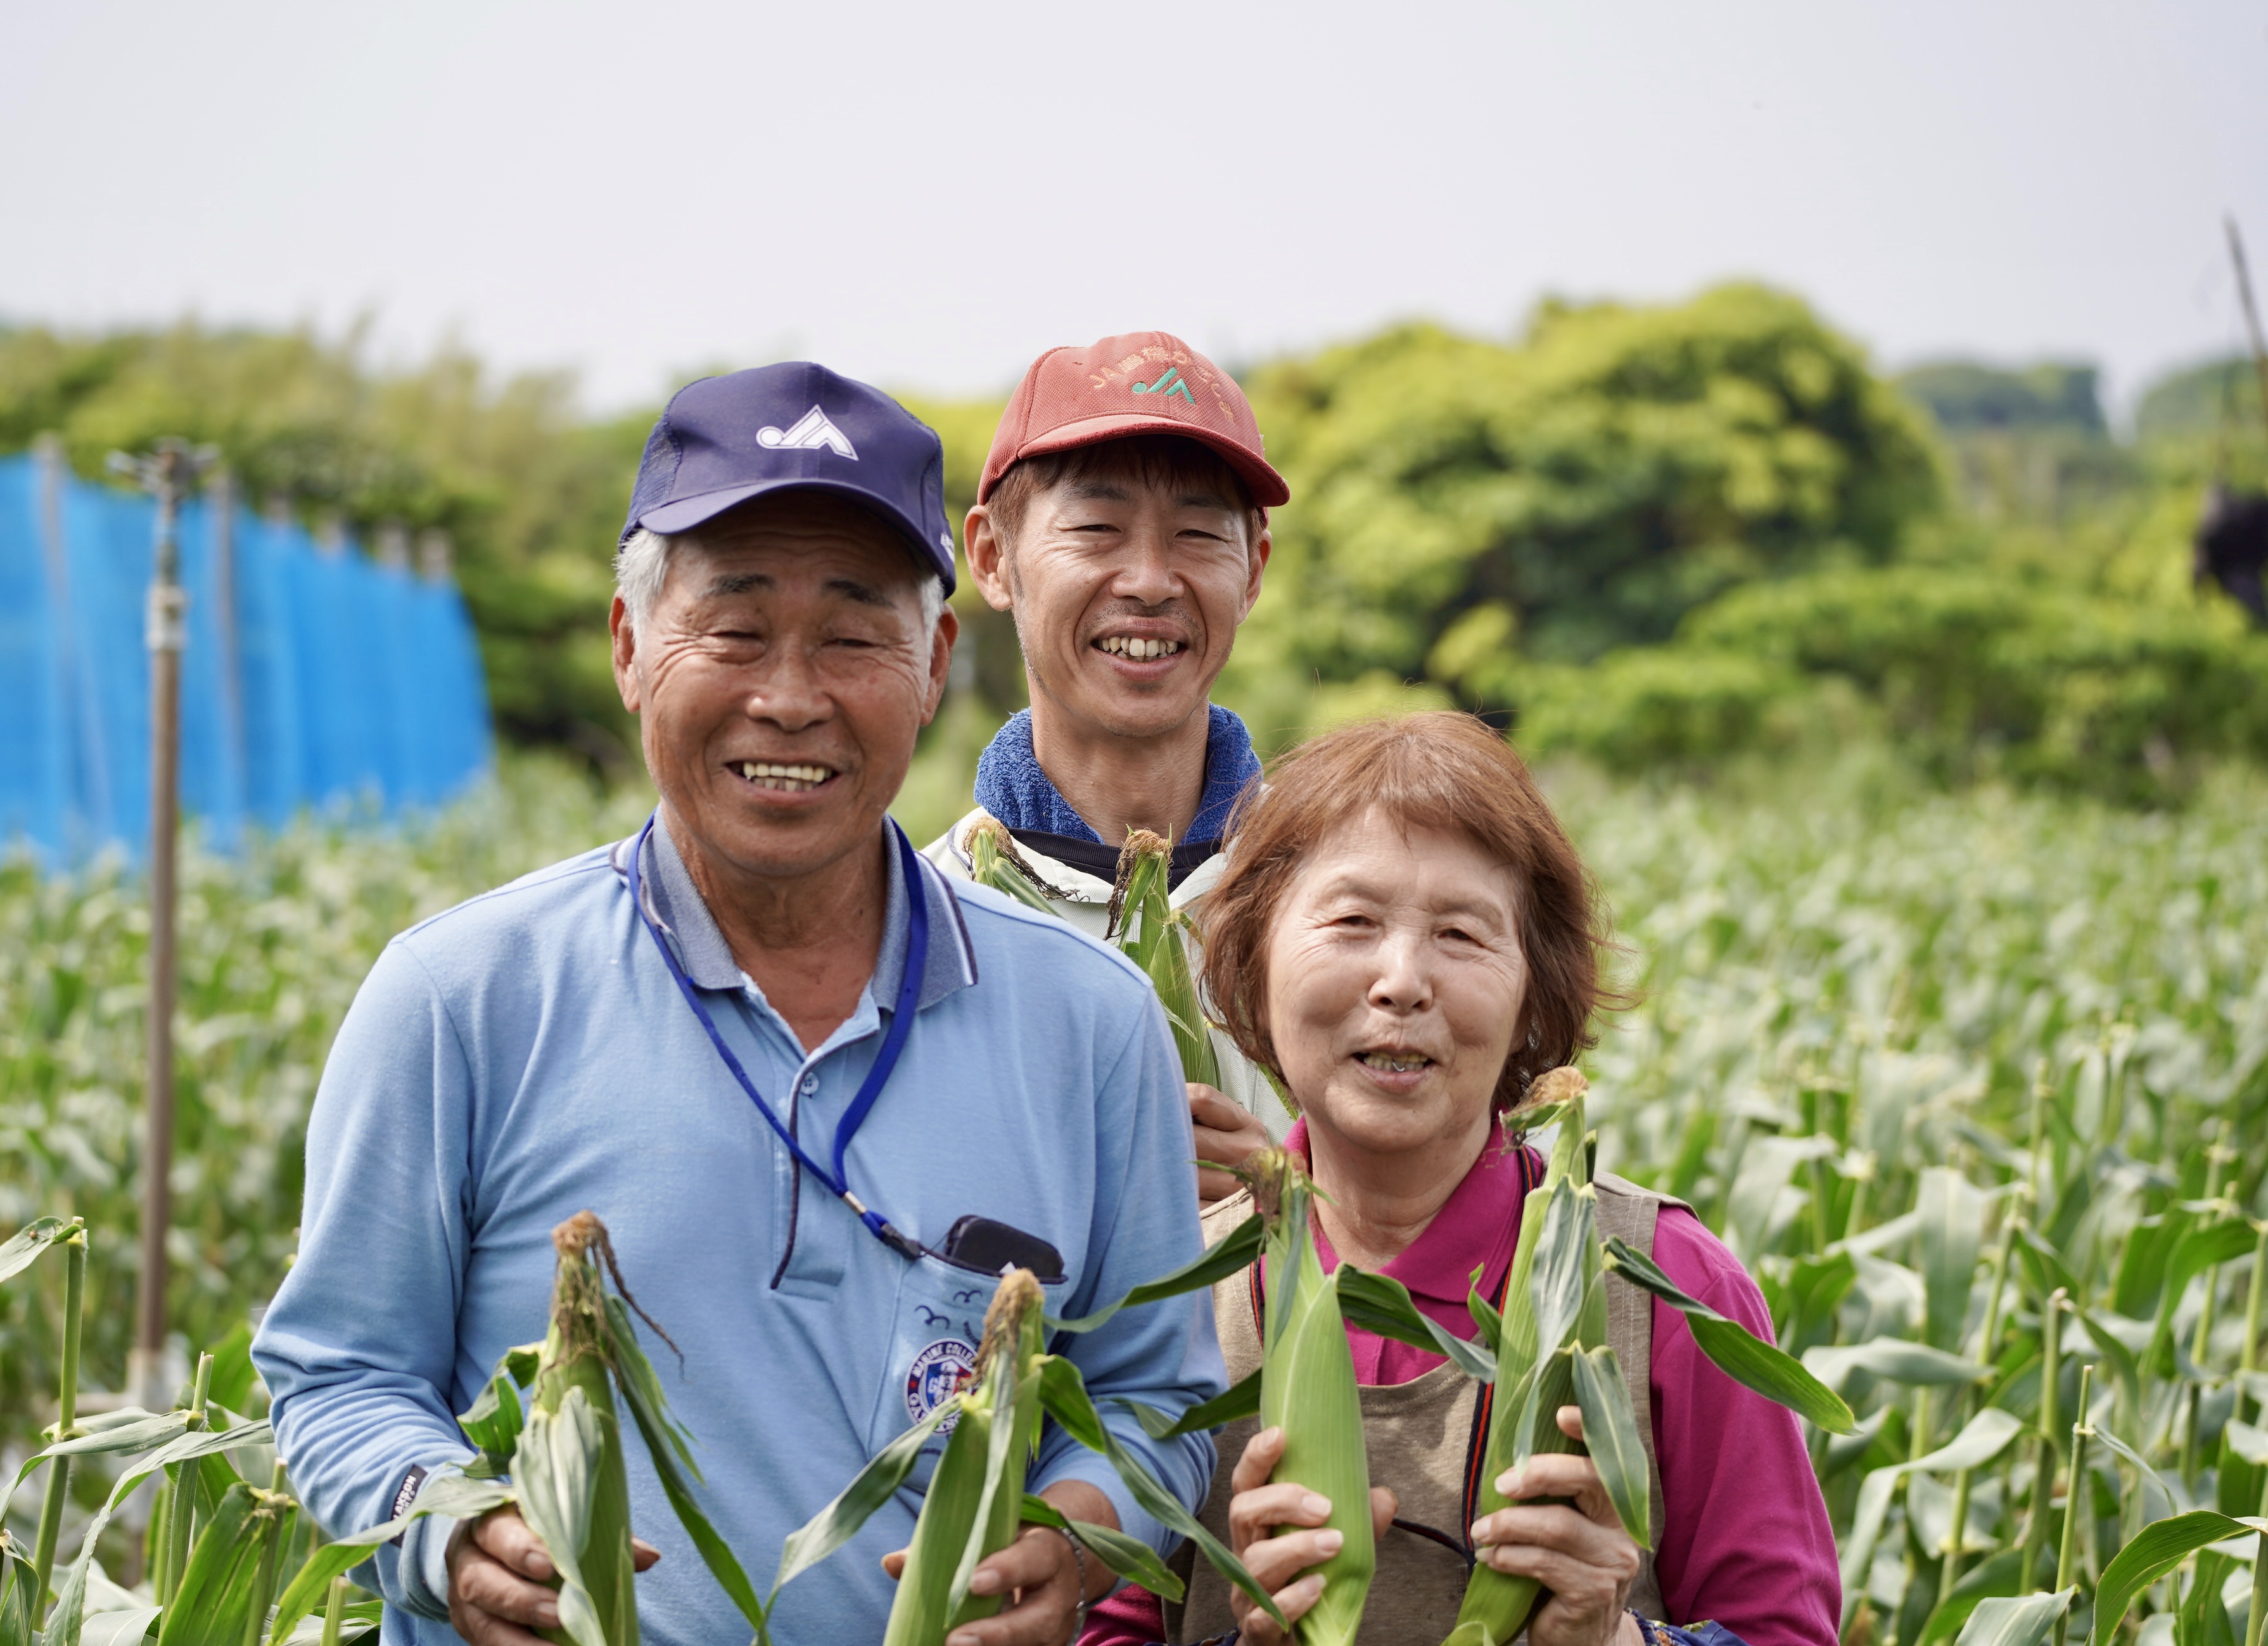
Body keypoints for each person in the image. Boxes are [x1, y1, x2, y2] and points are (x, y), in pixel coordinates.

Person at [255, 362, 1226, 1646]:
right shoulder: (460, 998)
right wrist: (447, 1526)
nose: (790, 694)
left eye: (850, 633)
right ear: (627, 647)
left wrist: (1079, 1524)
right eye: (733, 628)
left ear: (934, 662)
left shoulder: (1091, 1024)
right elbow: (340, 1372)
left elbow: (1157, 1391)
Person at [1082, 711, 1838, 1646]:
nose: (1402, 981)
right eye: (1352, 922)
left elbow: (1786, 1631)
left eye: (1462, 934)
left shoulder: (1669, 1288)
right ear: (1252, 964)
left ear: (1534, 995)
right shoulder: (1170, 1292)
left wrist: (1616, 1640)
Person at [922, 332, 1289, 1199]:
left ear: (1255, 569)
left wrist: (1292, 1201)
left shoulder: (1341, 903)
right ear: (990, 558)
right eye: (1096, 529)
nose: (1153, 581)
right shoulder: (920, 929)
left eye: (1199, 535)